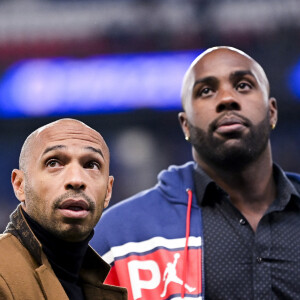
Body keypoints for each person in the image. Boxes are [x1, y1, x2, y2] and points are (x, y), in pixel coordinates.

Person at [91, 46, 300, 300]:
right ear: (185, 125)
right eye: (206, 91)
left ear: (272, 112)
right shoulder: (119, 236)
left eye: (243, 85)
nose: (226, 99)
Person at [0, 118, 127, 300]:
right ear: (20, 185)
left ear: (108, 191)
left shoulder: (111, 278)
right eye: (53, 163)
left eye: (91, 165)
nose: (76, 180)